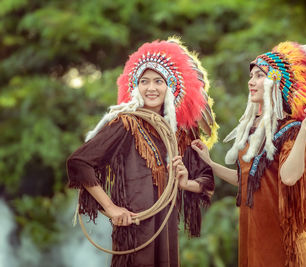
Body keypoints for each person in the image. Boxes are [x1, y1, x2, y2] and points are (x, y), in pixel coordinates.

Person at [192, 35, 306, 267]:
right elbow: (245, 180)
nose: (251, 81)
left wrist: (305, 127)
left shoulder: (292, 129)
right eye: (251, 76)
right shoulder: (253, 130)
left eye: (259, 75)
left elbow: (289, 177)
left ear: (275, 81)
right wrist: (209, 163)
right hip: (253, 228)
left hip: (281, 233)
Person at [66, 38, 218, 267]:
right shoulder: (125, 123)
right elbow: (79, 162)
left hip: (165, 232)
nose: (151, 88)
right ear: (135, 86)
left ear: (171, 86)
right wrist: (110, 207)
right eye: (144, 81)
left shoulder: (180, 133)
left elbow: (206, 180)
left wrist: (185, 183)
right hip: (133, 228)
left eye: (159, 81)